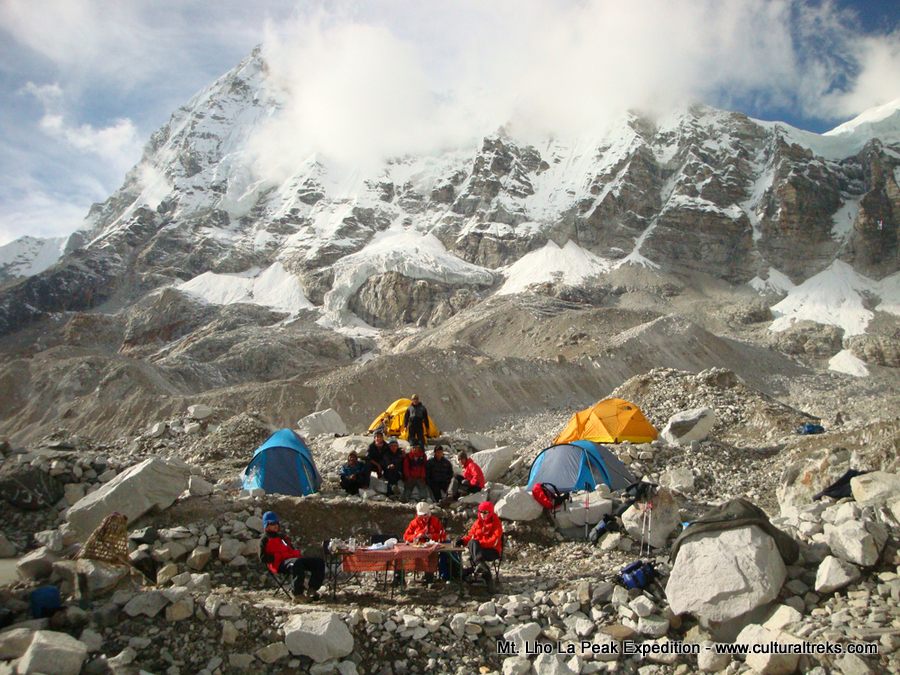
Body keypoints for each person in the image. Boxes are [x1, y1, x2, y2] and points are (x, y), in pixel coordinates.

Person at [258, 511, 326, 601]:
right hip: (278, 565)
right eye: (272, 523)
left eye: (277, 523)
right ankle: (297, 594)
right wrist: (282, 556)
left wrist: (292, 554)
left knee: (318, 562)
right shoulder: (264, 539)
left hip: (292, 560)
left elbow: (292, 549)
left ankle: (312, 589)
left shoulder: (282, 537)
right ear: (266, 525)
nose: (276, 525)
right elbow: (263, 558)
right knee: (297, 563)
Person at [457, 501, 502, 593]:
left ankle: (474, 569)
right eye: (481, 512)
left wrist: (479, 544)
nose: (483, 514)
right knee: (475, 548)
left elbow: (494, 541)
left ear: (490, 512)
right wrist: (462, 540)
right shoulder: (477, 523)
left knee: (475, 548)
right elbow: (470, 537)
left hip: (492, 550)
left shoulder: (496, 523)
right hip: (479, 551)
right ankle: (487, 579)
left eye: (485, 512)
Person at [403, 502, 447, 583]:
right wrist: (416, 536)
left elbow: (443, 536)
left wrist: (432, 536)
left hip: (430, 547)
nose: (423, 517)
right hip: (417, 547)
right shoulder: (413, 523)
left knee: (431, 555)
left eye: (425, 514)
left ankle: (429, 578)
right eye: (421, 515)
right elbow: (406, 537)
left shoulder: (435, 521)